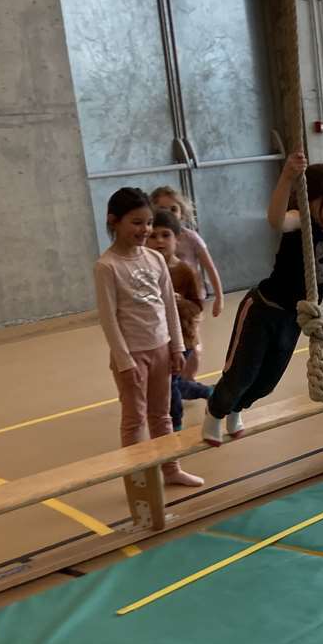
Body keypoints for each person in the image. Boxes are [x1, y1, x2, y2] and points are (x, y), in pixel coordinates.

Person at [201, 153, 323, 446]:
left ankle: (237, 408)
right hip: (263, 310)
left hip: (293, 318)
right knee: (242, 374)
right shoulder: (301, 221)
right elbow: (275, 219)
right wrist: (287, 177)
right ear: (308, 201)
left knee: (267, 383)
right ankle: (215, 410)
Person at [94, 188, 202, 488]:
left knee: (162, 415)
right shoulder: (107, 266)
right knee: (134, 419)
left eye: (149, 223)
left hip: (162, 349)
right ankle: (138, 480)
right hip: (132, 355)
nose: (145, 230)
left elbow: (169, 306)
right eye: (136, 223)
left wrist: (177, 347)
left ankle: (171, 469)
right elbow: (109, 319)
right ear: (113, 221)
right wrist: (124, 361)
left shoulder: (155, 259)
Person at [146, 210, 214, 430]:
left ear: (176, 239)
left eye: (165, 235)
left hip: (182, 338)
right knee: (168, 382)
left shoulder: (184, 271)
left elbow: (197, 307)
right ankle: (208, 391)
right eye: (153, 236)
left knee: (170, 383)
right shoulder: (144, 271)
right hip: (155, 338)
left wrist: (178, 302)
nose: (159, 241)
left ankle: (175, 423)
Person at [149, 186, 225, 319]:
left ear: (182, 213)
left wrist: (219, 297)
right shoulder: (151, 238)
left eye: (173, 209)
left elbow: (210, 267)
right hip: (163, 296)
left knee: (190, 326)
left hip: (191, 294)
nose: (169, 214)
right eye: (162, 209)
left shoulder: (191, 237)